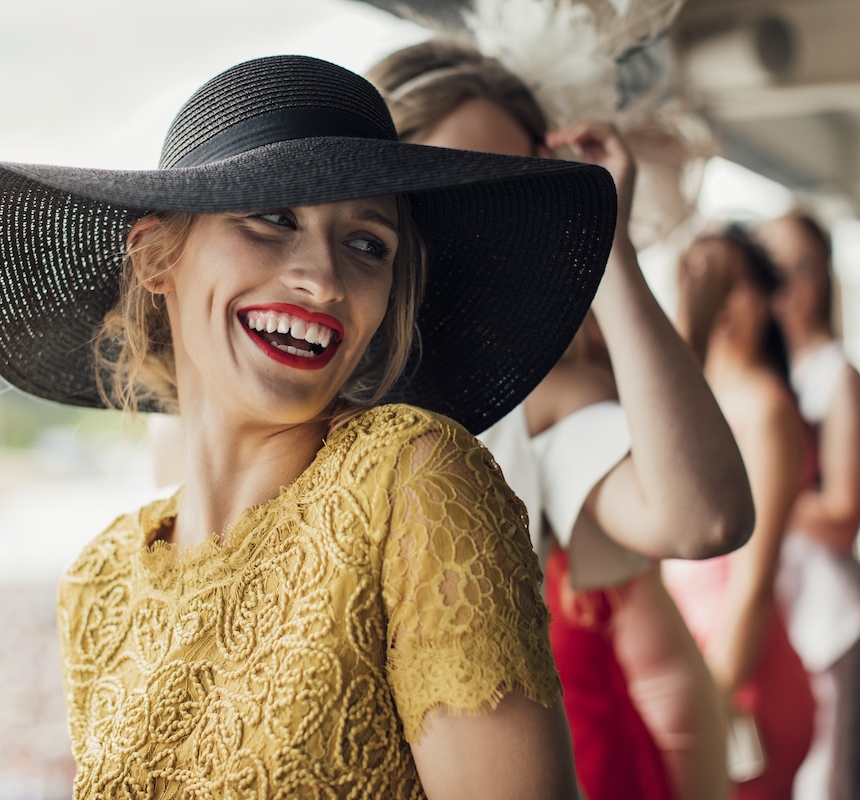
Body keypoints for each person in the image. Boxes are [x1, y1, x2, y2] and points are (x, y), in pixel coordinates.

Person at [0, 55, 621, 799]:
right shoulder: (97, 583)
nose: (323, 278)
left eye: (368, 244)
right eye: (273, 218)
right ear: (155, 258)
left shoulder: (410, 482)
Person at [368, 39, 754, 800]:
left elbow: (702, 521)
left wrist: (603, 236)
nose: (482, 226)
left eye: (514, 197)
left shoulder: (535, 397)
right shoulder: (286, 380)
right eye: (450, 186)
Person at [756, 212, 860, 800]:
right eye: (773, 270)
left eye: (802, 268)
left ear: (824, 279)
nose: (787, 287)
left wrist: (762, 493)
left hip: (824, 611)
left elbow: (846, 513)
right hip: (776, 600)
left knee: (830, 781)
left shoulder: (838, 374)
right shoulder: (769, 374)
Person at [665, 226, 817, 800]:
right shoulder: (698, 399)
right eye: (703, 286)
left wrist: (713, 701)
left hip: (742, 669)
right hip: (697, 656)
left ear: (764, 297)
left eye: (732, 285)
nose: (720, 304)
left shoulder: (764, 409)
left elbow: (753, 584)